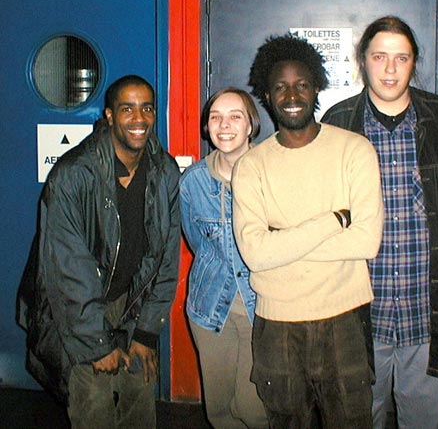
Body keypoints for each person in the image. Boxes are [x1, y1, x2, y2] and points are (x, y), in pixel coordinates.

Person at [321, 16, 438, 429]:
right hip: (358, 317)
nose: (390, 69)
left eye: (402, 58)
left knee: (425, 421)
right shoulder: (337, 124)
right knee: (358, 419)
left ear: (415, 62)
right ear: (363, 60)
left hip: (427, 314)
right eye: (380, 56)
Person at [231, 33, 384, 428]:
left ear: (316, 87)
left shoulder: (354, 150)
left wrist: (281, 240)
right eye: (280, 87)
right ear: (267, 95)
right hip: (277, 326)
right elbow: (256, 255)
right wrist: (334, 221)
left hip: (344, 320)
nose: (292, 95)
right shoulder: (251, 166)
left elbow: (367, 240)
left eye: (301, 84)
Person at [18, 75, 181, 429]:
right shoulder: (74, 174)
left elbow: (166, 259)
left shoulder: (164, 171)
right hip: (81, 309)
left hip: (133, 302)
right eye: (127, 109)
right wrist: (96, 344)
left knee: (140, 394)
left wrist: (146, 331)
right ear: (109, 115)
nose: (139, 118)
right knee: (93, 403)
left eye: (147, 108)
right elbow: (68, 270)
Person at [179, 87, 267, 428]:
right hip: (209, 308)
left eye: (235, 116)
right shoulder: (193, 181)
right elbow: (196, 241)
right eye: (216, 117)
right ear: (207, 127)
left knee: (254, 409)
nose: (224, 125)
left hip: (262, 310)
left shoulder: (271, 171)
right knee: (219, 410)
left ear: (250, 125)